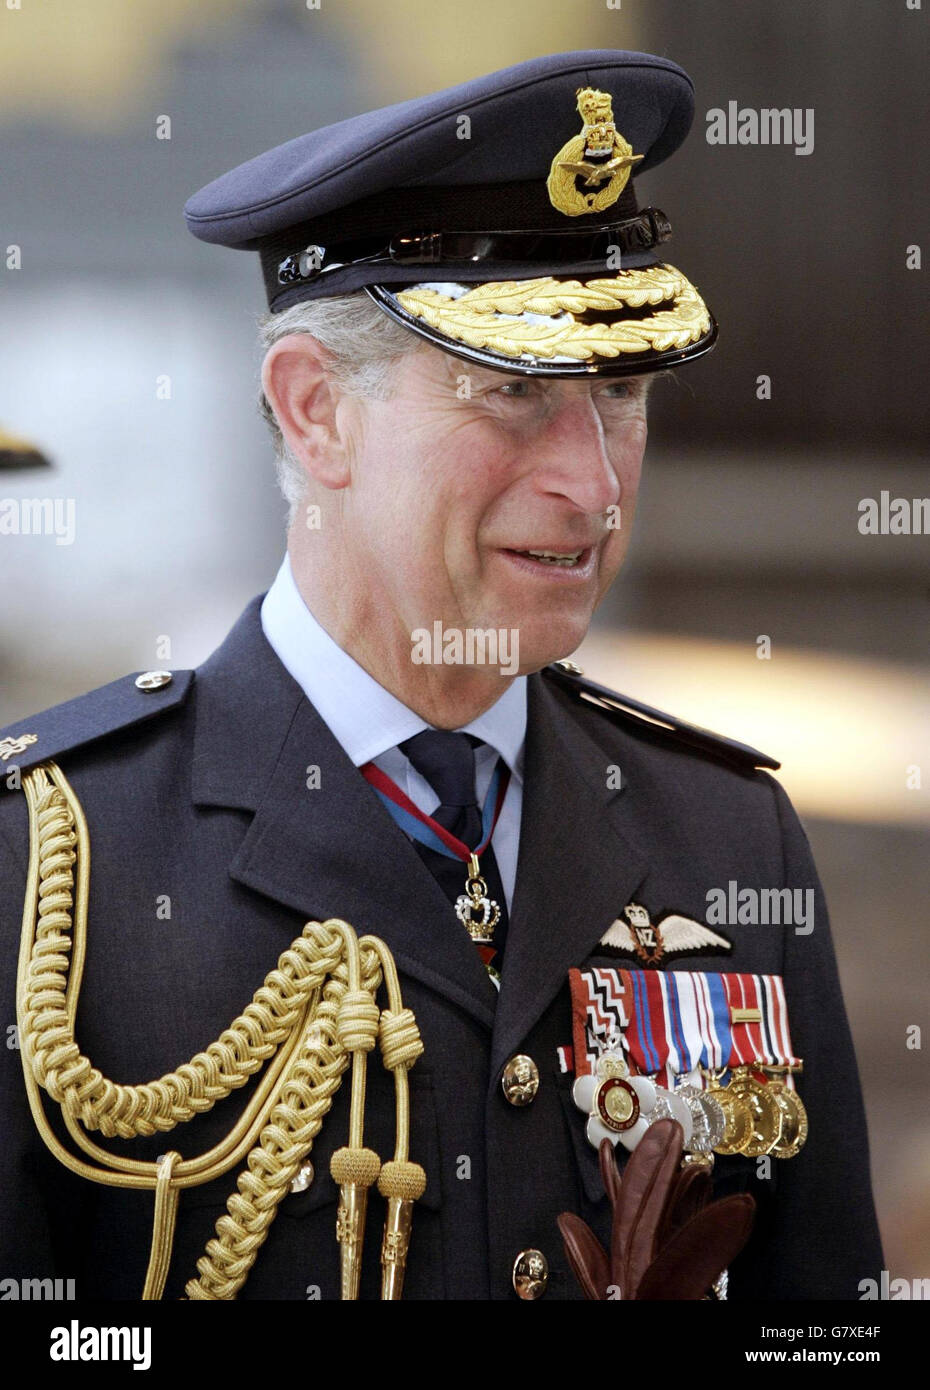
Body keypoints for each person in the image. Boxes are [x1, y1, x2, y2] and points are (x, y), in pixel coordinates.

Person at [0, 49, 881, 1301]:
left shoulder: (731, 835)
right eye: (515, 392)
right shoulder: (53, 859)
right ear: (316, 413)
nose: (595, 482)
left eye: (620, 388)